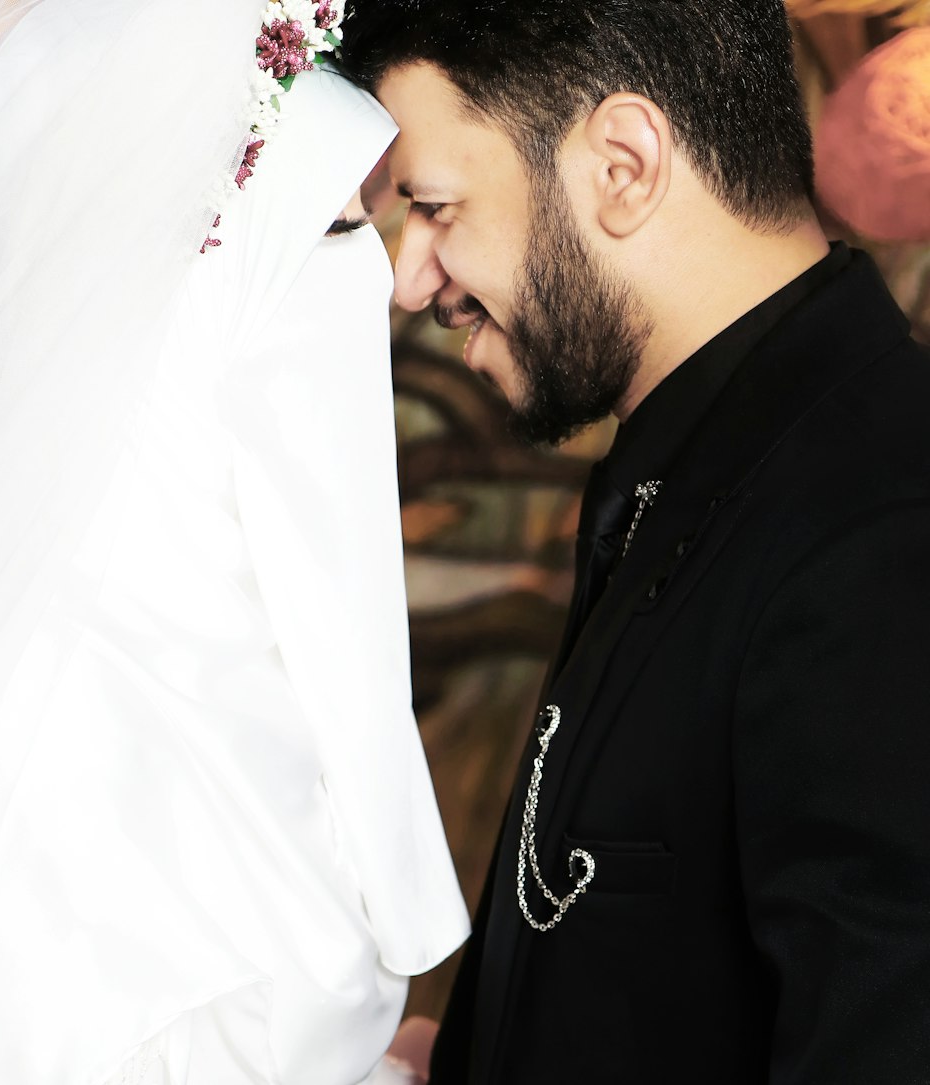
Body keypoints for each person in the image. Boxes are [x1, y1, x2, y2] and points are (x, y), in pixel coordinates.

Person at [338, 1, 930, 1082]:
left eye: (433, 206)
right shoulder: (696, 460)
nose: (410, 277)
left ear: (622, 163)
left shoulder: (886, 521)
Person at [0, 2, 469, 1083]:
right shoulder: (303, 167)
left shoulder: (47, 117)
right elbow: (339, 612)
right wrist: (418, 923)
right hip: (195, 837)